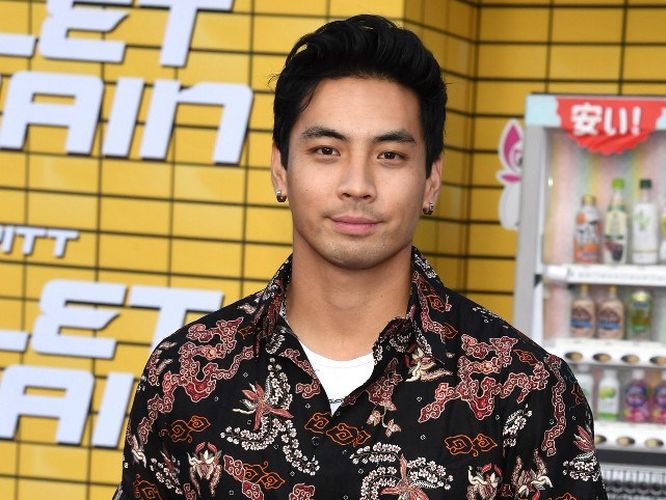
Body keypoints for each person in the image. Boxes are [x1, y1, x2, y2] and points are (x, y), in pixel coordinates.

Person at [114, 15, 607, 499]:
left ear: (431, 180)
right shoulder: (186, 371)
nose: (357, 185)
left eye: (389, 155)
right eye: (327, 150)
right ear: (280, 169)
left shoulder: (524, 388)